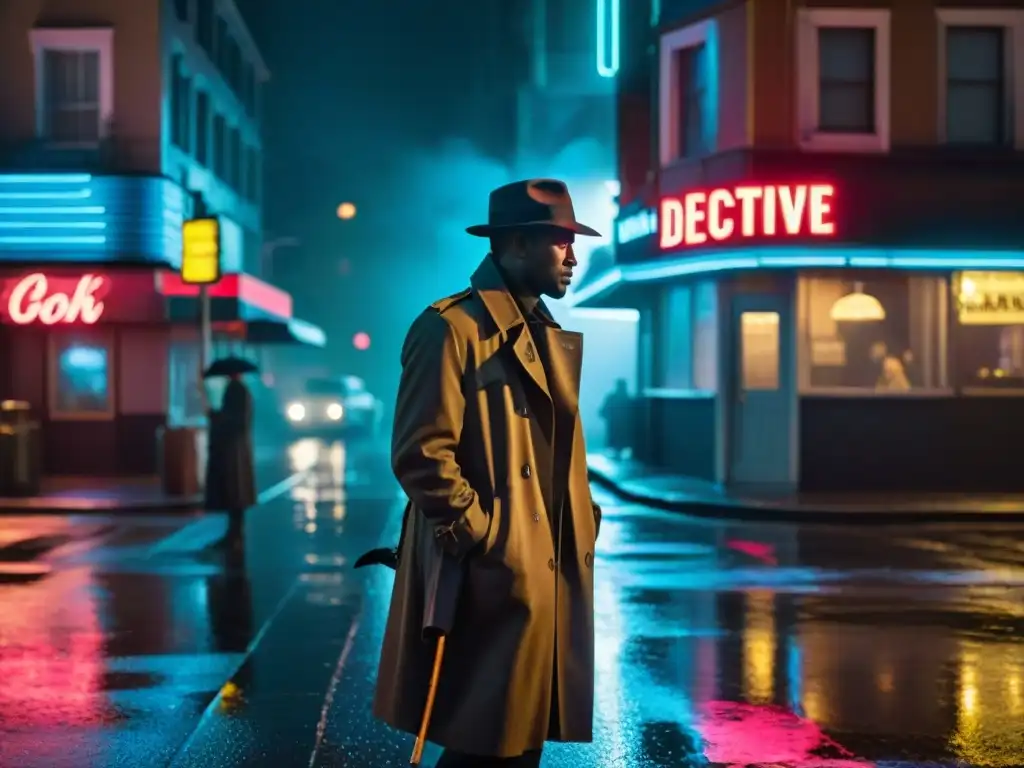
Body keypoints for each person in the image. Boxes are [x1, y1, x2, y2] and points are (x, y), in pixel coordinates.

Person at [373, 179, 603, 767]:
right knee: (486, 744)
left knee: (514, 744)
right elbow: (421, 452)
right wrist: (486, 537)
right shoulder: (449, 328)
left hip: (538, 568)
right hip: (495, 572)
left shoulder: (543, 333)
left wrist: (581, 519)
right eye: (560, 242)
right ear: (517, 245)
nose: (573, 256)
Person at [204, 372, 257, 551]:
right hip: (237, 447)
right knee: (235, 492)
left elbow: (235, 419)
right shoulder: (241, 390)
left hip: (233, 449)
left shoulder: (236, 390)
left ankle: (234, 534)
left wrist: (216, 416)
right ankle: (234, 533)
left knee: (234, 490)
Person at [600, 378, 633, 457]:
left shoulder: (612, 398)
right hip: (622, 428)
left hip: (615, 427)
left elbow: (603, 412)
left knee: (617, 446)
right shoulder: (628, 399)